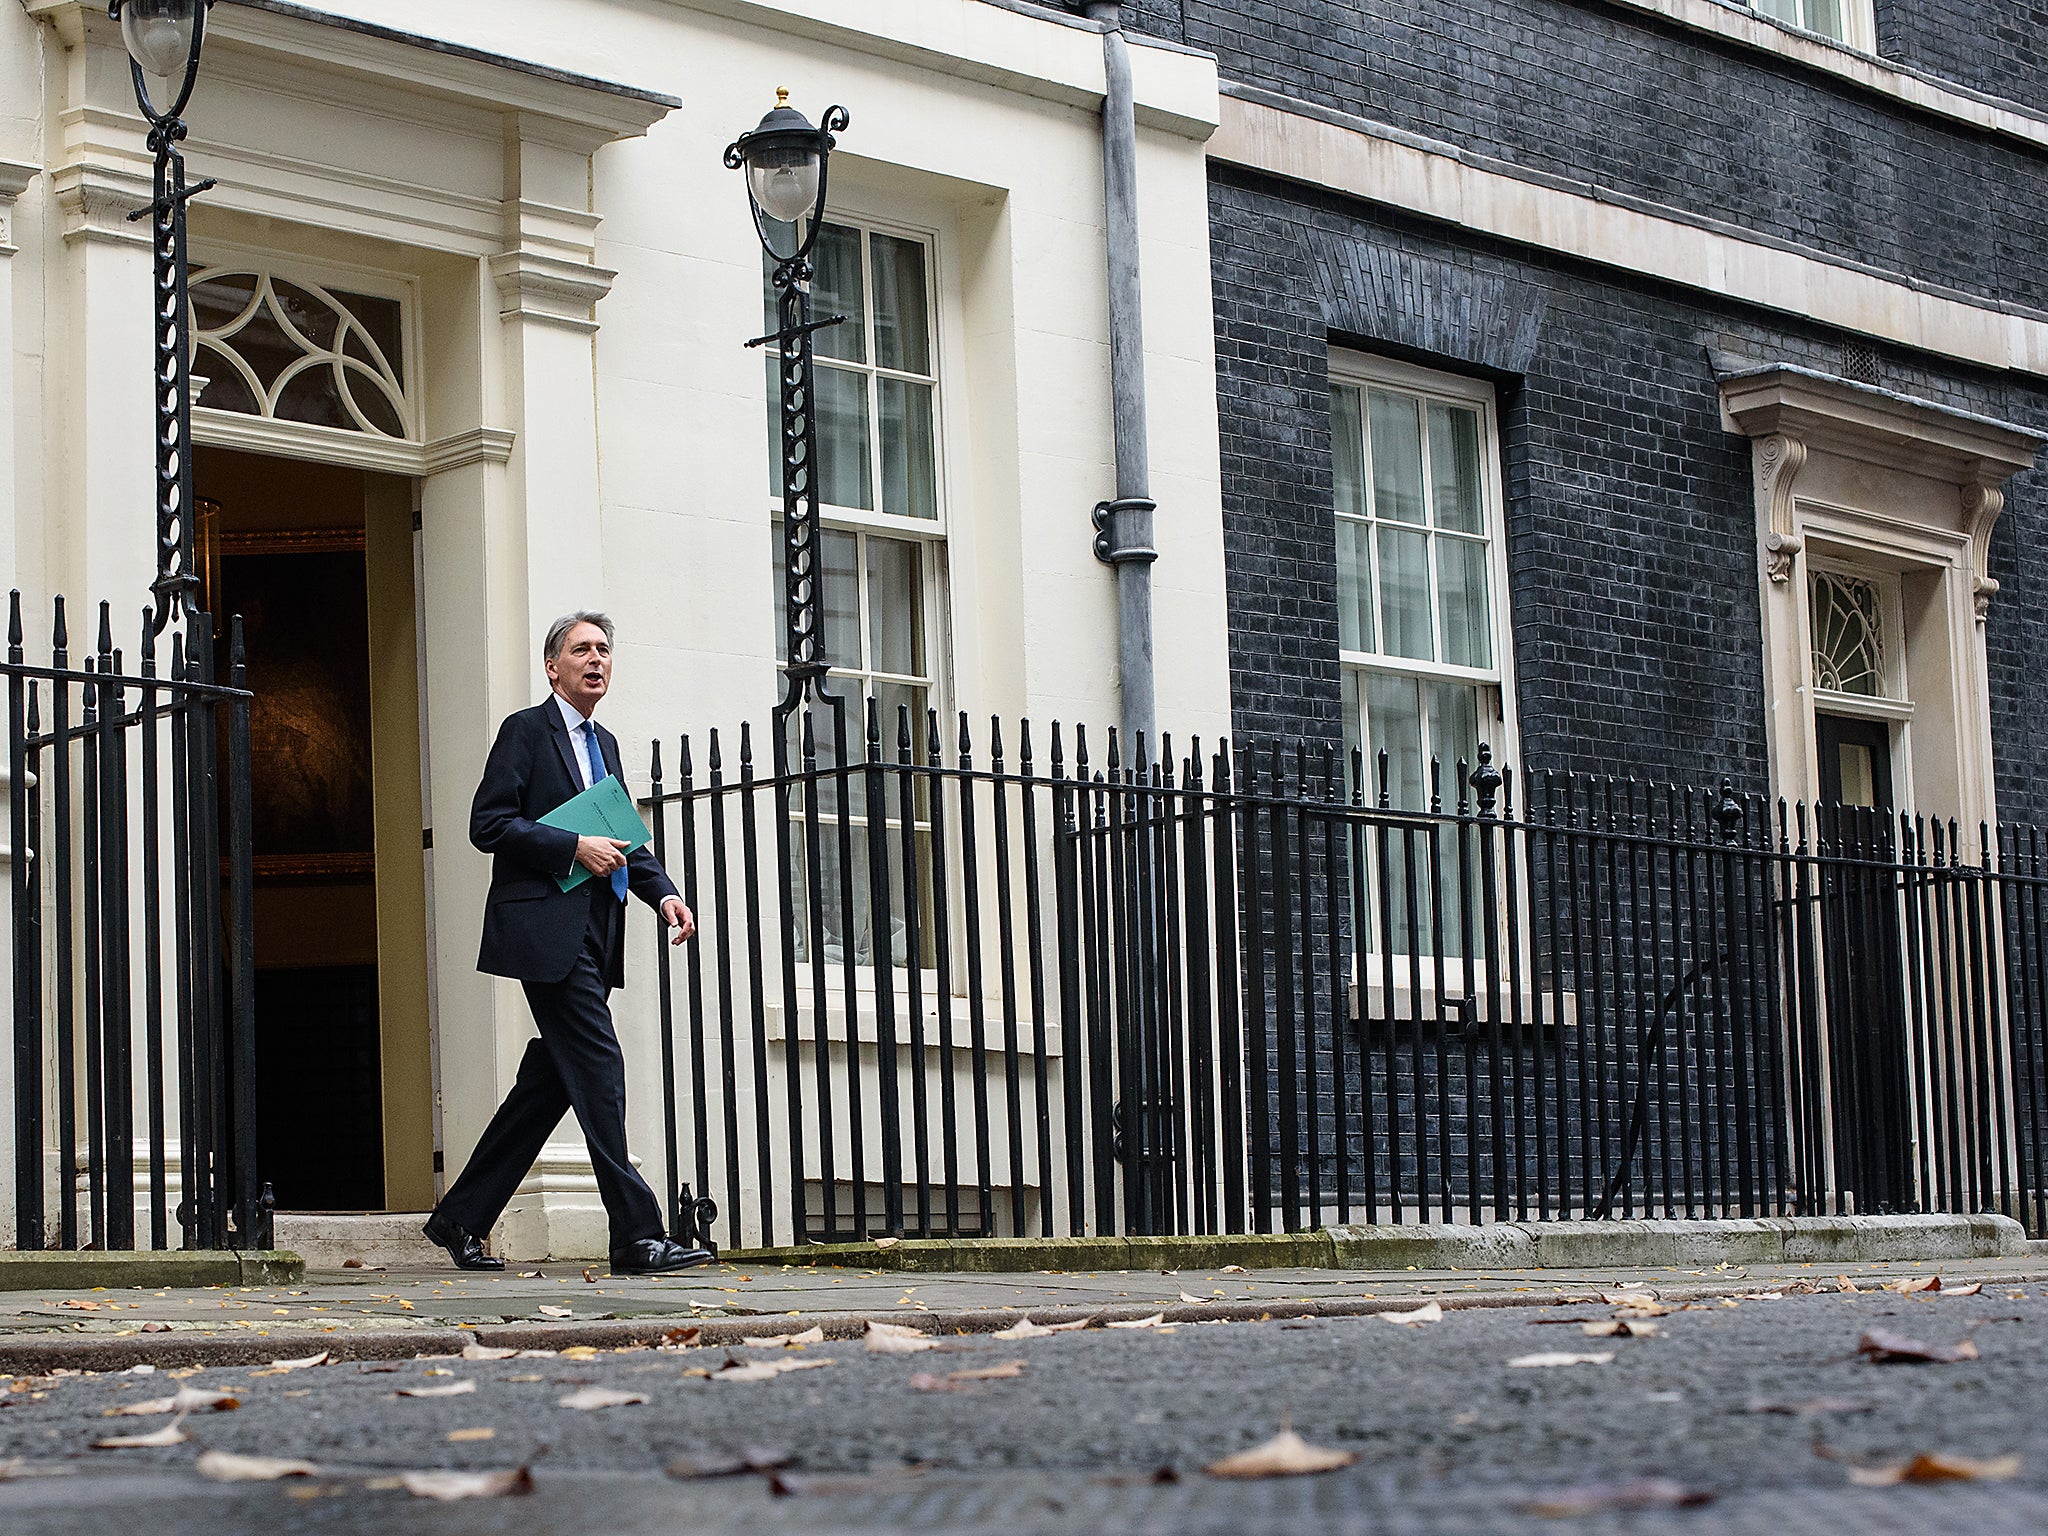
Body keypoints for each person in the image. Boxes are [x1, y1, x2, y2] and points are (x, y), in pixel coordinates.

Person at [422, 611, 711, 1275]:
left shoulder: (604, 743)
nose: (596, 659)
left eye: (604, 649)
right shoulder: (525, 731)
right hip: (543, 934)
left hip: (593, 932)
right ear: (553, 666)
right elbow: (487, 823)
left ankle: (460, 1218)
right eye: (582, 649)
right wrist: (569, 845)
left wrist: (664, 893)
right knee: (602, 1068)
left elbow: (622, 836)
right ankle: (637, 1236)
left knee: (549, 1084)